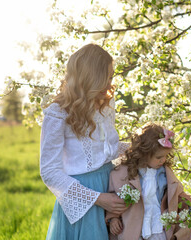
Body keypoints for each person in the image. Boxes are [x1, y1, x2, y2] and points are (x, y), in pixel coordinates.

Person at [40, 43, 130, 240]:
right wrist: (97, 199)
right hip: (83, 199)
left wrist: (140, 149)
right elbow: (49, 172)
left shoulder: (104, 107)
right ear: (91, 77)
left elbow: (107, 151)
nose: (110, 84)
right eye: (107, 77)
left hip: (111, 187)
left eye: (111, 77)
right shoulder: (57, 113)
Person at [106, 124, 191, 240]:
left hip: (158, 225)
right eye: (158, 157)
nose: (163, 160)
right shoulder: (123, 173)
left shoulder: (164, 173)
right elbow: (114, 198)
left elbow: (177, 194)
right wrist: (113, 218)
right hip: (134, 227)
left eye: (165, 156)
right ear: (144, 153)